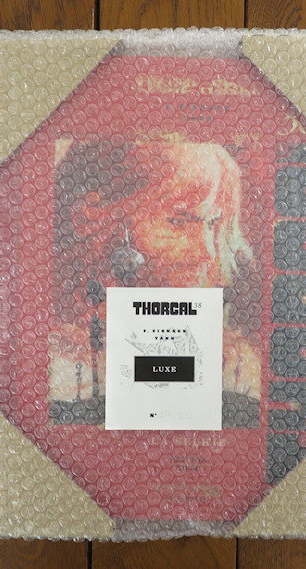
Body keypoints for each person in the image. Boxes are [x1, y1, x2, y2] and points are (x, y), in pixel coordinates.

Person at [47, 139, 261, 425]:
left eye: (212, 225)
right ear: (91, 217)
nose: (206, 254)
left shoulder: (234, 365)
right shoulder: (52, 362)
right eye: (179, 222)